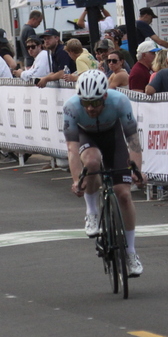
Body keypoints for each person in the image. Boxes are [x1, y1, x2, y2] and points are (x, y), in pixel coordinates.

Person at [64, 70, 145, 277]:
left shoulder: (120, 101)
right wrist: (76, 181)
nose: (90, 108)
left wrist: (137, 170)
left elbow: (133, 140)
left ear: (105, 96)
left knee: (124, 195)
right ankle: (91, 211)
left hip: (113, 137)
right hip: (87, 137)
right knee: (92, 162)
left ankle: (130, 252)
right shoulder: (72, 107)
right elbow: (72, 149)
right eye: (86, 102)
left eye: (96, 102)